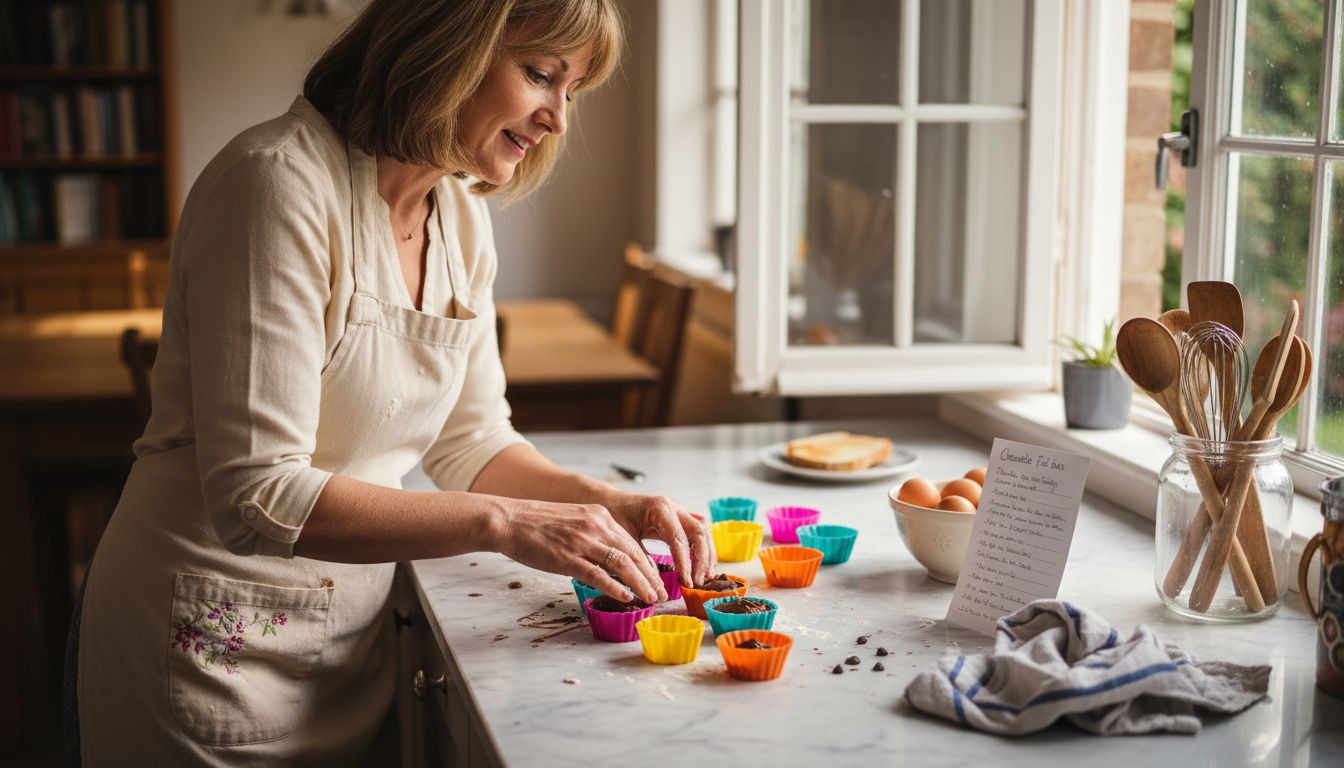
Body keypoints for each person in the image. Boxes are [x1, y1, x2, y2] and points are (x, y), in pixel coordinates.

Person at [73, 1, 713, 764]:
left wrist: (609, 503)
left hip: (347, 640)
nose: (557, 122)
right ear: (448, 46)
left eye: (572, 91)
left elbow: (473, 441)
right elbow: (257, 492)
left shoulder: (460, 217)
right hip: (209, 645)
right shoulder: (276, 186)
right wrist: (507, 523)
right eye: (541, 76)